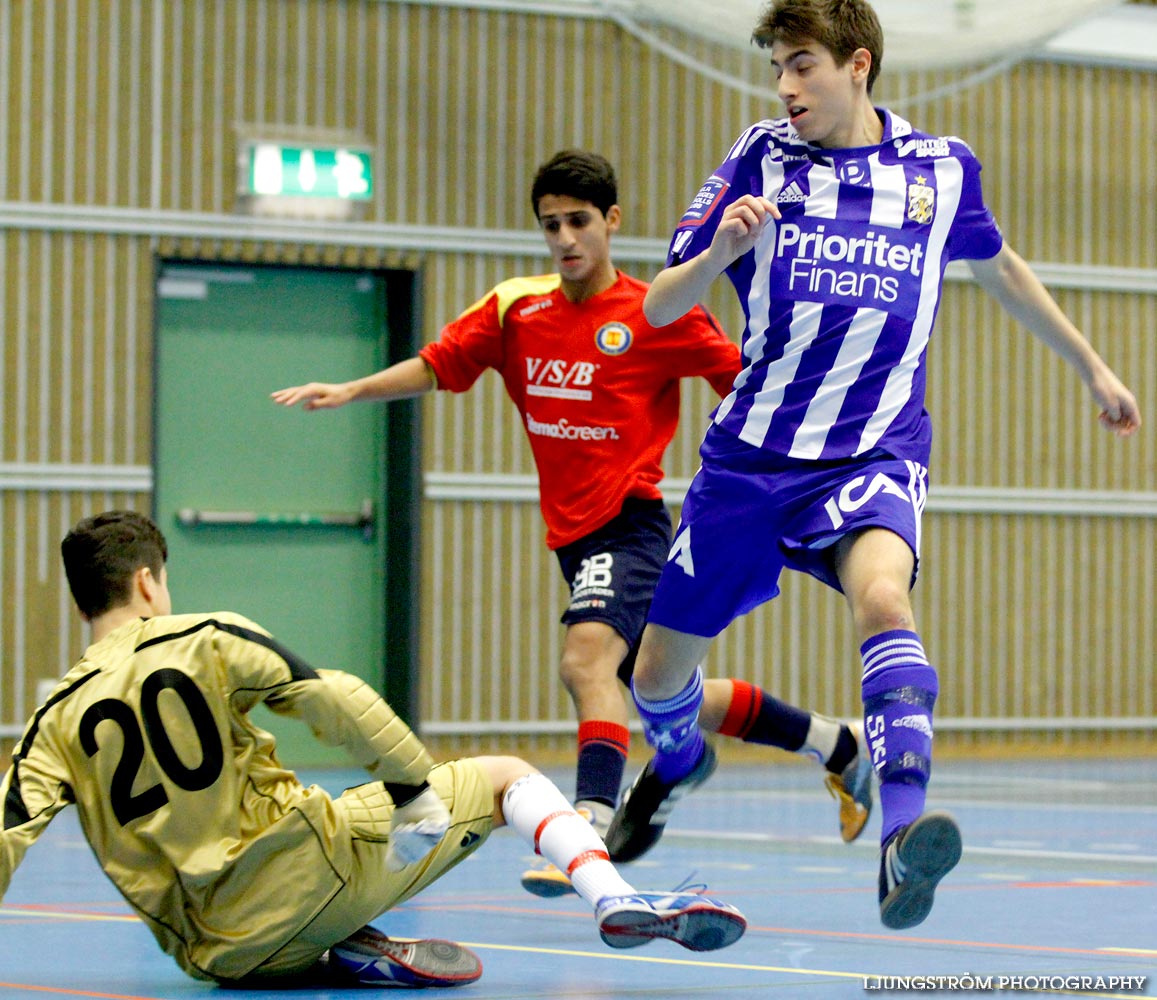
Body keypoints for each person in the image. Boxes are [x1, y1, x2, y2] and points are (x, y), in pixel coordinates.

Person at [603, 0, 1142, 932]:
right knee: (652, 676)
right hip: (751, 460)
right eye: (775, 66)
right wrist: (721, 250)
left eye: (801, 64)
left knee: (886, 601)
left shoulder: (939, 170)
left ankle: (900, 837)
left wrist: (1090, 364)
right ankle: (681, 756)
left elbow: (999, 265)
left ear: (856, 64)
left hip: (874, 449)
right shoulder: (757, 156)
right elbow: (655, 307)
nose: (784, 86)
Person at [272, 149, 875, 898]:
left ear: (610, 222)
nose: (563, 238)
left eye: (578, 221)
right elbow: (438, 364)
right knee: (660, 690)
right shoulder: (516, 310)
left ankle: (589, 818)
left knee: (583, 664)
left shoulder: (657, 311)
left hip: (629, 524)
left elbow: (744, 385)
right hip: (572, 537)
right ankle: (834, 742)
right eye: (550, 224)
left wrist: (792, 476)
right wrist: (351, 388)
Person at [0, 511, 748, 988]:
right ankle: (616, 899)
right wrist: (415, 788)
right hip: (307, 873)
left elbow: (7, 835)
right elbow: (337, 698)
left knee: (270, 927)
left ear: (82, 602)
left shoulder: (53, 719)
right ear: (147, 583)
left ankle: (342, 951)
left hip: (215, 955)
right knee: (503, 777)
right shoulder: (203, 636)